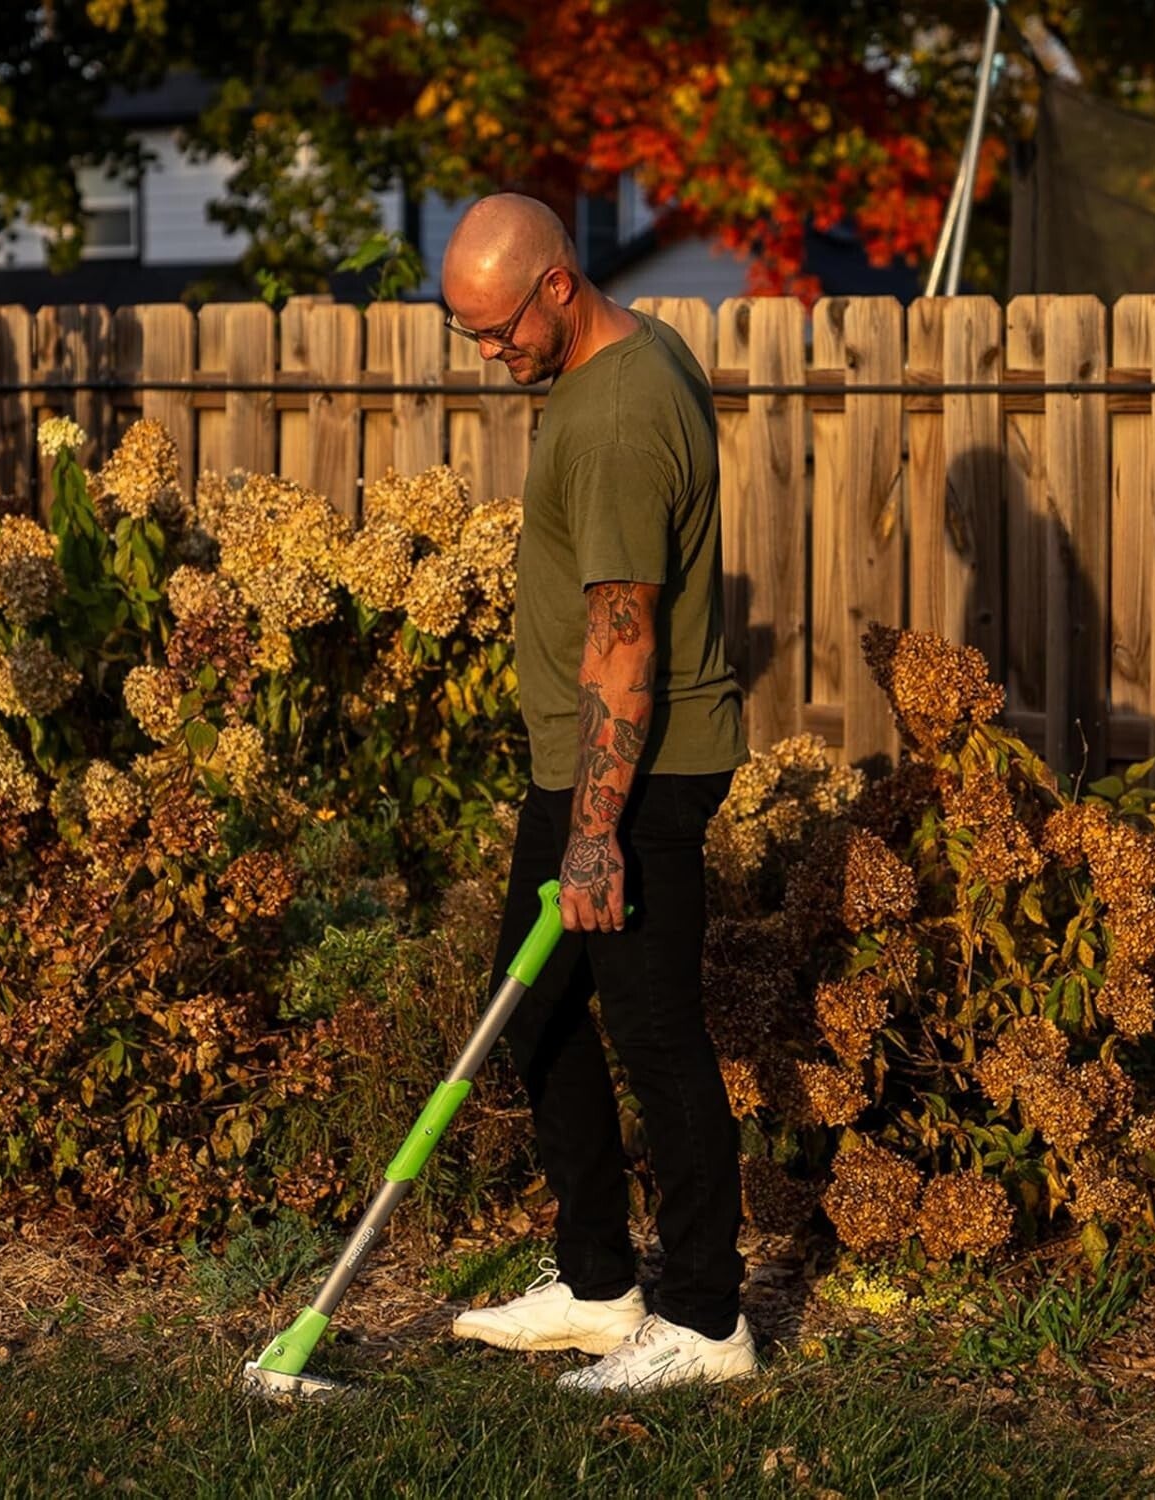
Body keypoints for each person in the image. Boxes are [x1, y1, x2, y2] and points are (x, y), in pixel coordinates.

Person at [439, 194, 755, 1392]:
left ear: (558, 285)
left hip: (640, 774)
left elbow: (625, 640)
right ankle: (599, 1286)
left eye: (497, 329)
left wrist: (594, 837)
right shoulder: (623, 350)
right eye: (467, 332)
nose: (488, 354)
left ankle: (707, 1322)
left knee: (656, 1034)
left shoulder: (620, 417)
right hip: (584, 769)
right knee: (541, 1011)